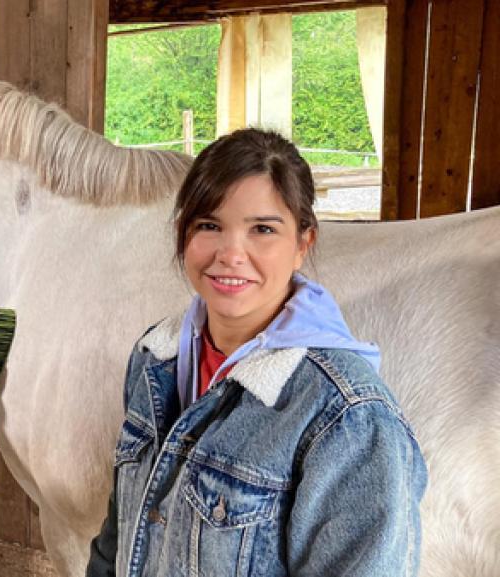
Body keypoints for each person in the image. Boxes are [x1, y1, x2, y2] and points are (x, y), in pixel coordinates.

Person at [85, 128, 427, 577]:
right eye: (209, 225)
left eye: (262, 229)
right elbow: (121, 534)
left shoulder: (349, 419)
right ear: (182, 233)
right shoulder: (156, 359)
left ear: (303, 243)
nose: (231, 254)